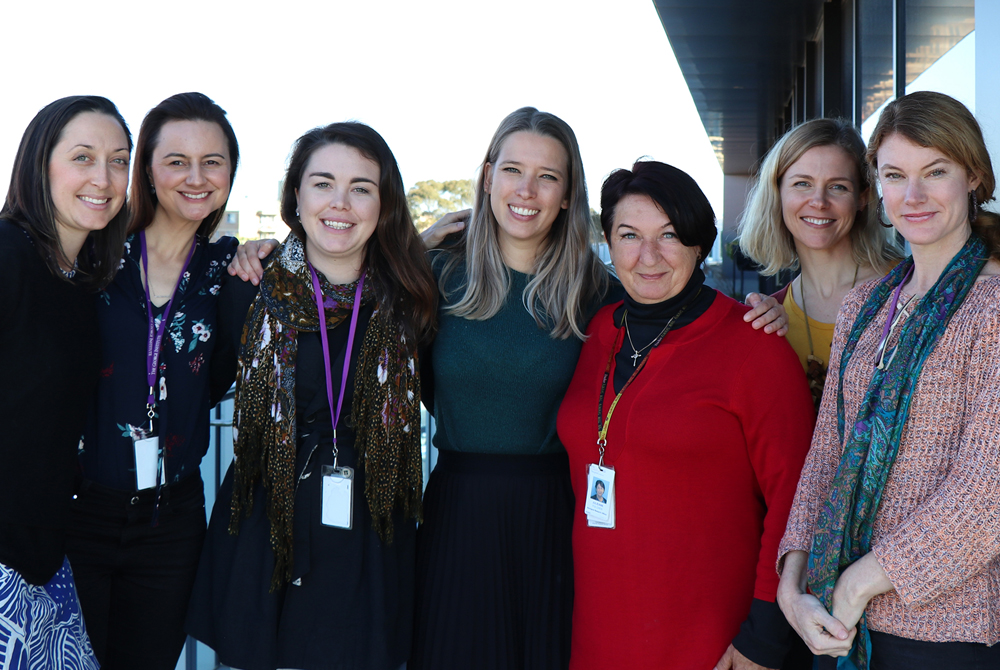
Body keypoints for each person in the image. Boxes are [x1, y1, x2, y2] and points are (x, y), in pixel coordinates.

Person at [186, 121, 437, 670]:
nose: (340, 203)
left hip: (370, 526)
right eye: (322, 183)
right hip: (265, 525)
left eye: (361, 188)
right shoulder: (248, 288)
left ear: (383, 203)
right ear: (295, 196)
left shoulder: (411, 299)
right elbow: (191, 391)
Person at [557, 160, 814, 670]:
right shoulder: (594, 331)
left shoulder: (753, 346)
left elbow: (797, 500)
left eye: (669, 235)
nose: (648, 255)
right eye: (629, 234)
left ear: (699, 244)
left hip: (711, 637)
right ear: (607, 242)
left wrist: (765, 636)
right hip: (597, 629)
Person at [777, 91, 1000, 670]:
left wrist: (858, 585)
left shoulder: (993, 307)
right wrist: (792, 580)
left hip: (947, 634)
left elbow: (986, 493)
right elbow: (828, 450)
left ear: (973, 175)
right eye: (896, 175)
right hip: (833, 622)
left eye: (936, 172)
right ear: (877, 186)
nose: (914, 195)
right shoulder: (867, 305)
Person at [64, 92, 240, 669]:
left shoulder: (234, 271)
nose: (196, 177)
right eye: (176, 161)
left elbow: (339, 269)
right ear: (148, 170)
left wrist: (432, 243)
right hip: (77, 510)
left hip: (173, 521)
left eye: (212, 162)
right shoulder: (91, 256)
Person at [0, 95, 131, 668]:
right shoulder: (6, 255)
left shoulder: (80, 282)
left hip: (44, 556)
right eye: (83, 156)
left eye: (119, 160)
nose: (103, 178)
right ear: (39, 164)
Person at [738, 118, 902, 410]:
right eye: (802, 183)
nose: (819, 201)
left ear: (862, 198)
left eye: (837, 187)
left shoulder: (908, 286)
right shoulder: (770, 318)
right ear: (777, 193)